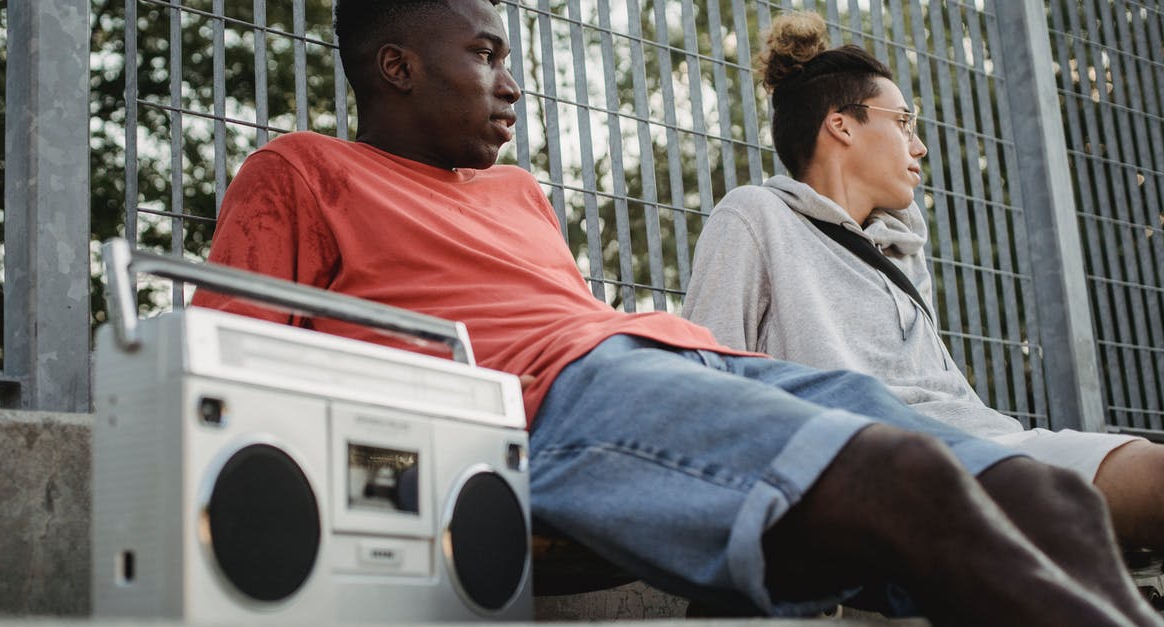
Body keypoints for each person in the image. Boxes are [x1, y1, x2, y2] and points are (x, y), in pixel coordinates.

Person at [192, 1, 1160, 623]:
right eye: (485, 54)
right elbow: (228, 363)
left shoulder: (516, 192)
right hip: (542, 400)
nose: (513, 82)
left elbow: (579, 317)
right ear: (396, 66)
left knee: (1049, 496)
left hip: (667, 356)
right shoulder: (304, 170)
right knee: (897, 468)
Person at [681, 11, 1164, 554]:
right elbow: (705, 383)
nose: (920, 147)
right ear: (842, 123)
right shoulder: (755, 215)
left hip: (983, 442)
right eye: (904, 122)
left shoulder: (901, 252)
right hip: (885, 465)